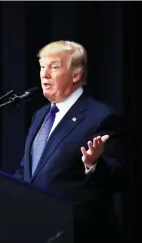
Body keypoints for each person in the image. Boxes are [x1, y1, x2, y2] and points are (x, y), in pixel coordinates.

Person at [14, 40, 126, 243]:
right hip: (36, 230)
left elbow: (118, 178)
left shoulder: (101, 116)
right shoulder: (40, 116)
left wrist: (93, 164)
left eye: (54, 67)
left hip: (78, 234)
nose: (44, 74)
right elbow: (28, 171)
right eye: (42, 67)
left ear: (76, 75)